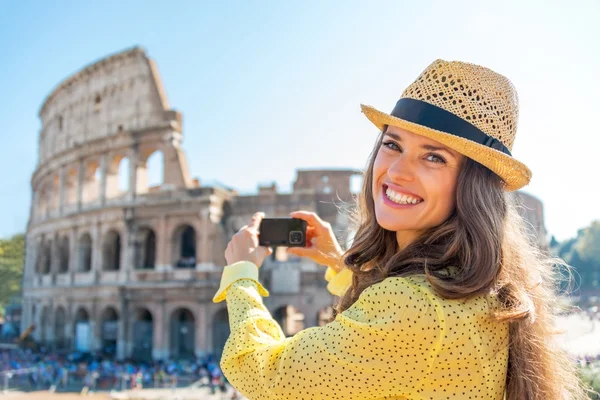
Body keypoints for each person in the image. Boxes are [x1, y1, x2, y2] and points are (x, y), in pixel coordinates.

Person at [212, 59, 590, 399]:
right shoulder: (478, 285)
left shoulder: (414, 307)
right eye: (392, 144)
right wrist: (339, 262)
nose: (395, 172)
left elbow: (261, 373)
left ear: (472, 185)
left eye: (433, 157)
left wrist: (241, 274)